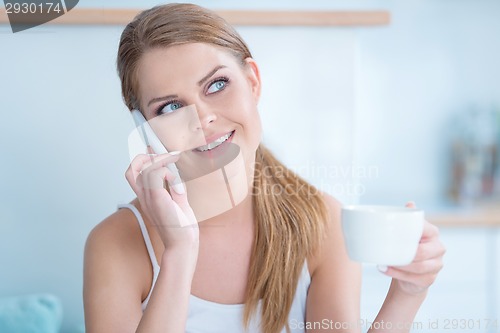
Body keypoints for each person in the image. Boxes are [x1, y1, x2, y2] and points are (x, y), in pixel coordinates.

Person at [83, 3, 446, 333]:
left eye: (217, 84)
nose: (203, 118)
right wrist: (180, 252)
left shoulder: (323, 223)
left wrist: (407, 294)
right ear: (145, 128)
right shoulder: (116, 245)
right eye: (170, 108)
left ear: (252, 81)